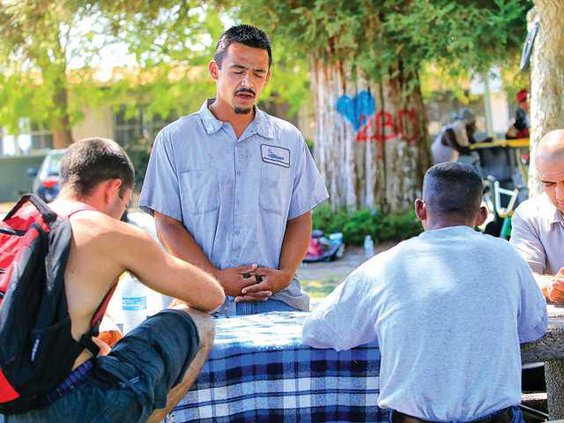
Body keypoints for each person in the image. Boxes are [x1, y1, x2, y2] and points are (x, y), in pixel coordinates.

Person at [303, 162, 547, 422]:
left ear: (420, 208)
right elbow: (534, 326)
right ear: (482, 215)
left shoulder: (384, 266)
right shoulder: (507, 257)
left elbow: (317, 331)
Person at [3, 138, 225, 422]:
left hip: (13, 403)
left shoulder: (19, 221)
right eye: (125, 204)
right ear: (114, 189)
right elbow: (211, 296)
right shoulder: (106, 230)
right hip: (75, 404)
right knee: (198, 322)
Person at [139, 25, 328, 316]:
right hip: (199, 303)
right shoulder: (175, 140)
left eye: (258, 73)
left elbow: (300, 216)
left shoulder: (288, 139)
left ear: (268, 77)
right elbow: (167, 223)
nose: (247, 82)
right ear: (215, 71)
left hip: (276, 303)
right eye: (237, 70)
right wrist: (213, 277)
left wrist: (284, 275)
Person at [510, 129, 564, 304]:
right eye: (549, 183)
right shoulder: (530, 215)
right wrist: (551, 285)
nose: (560, 194)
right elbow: (522, 277)